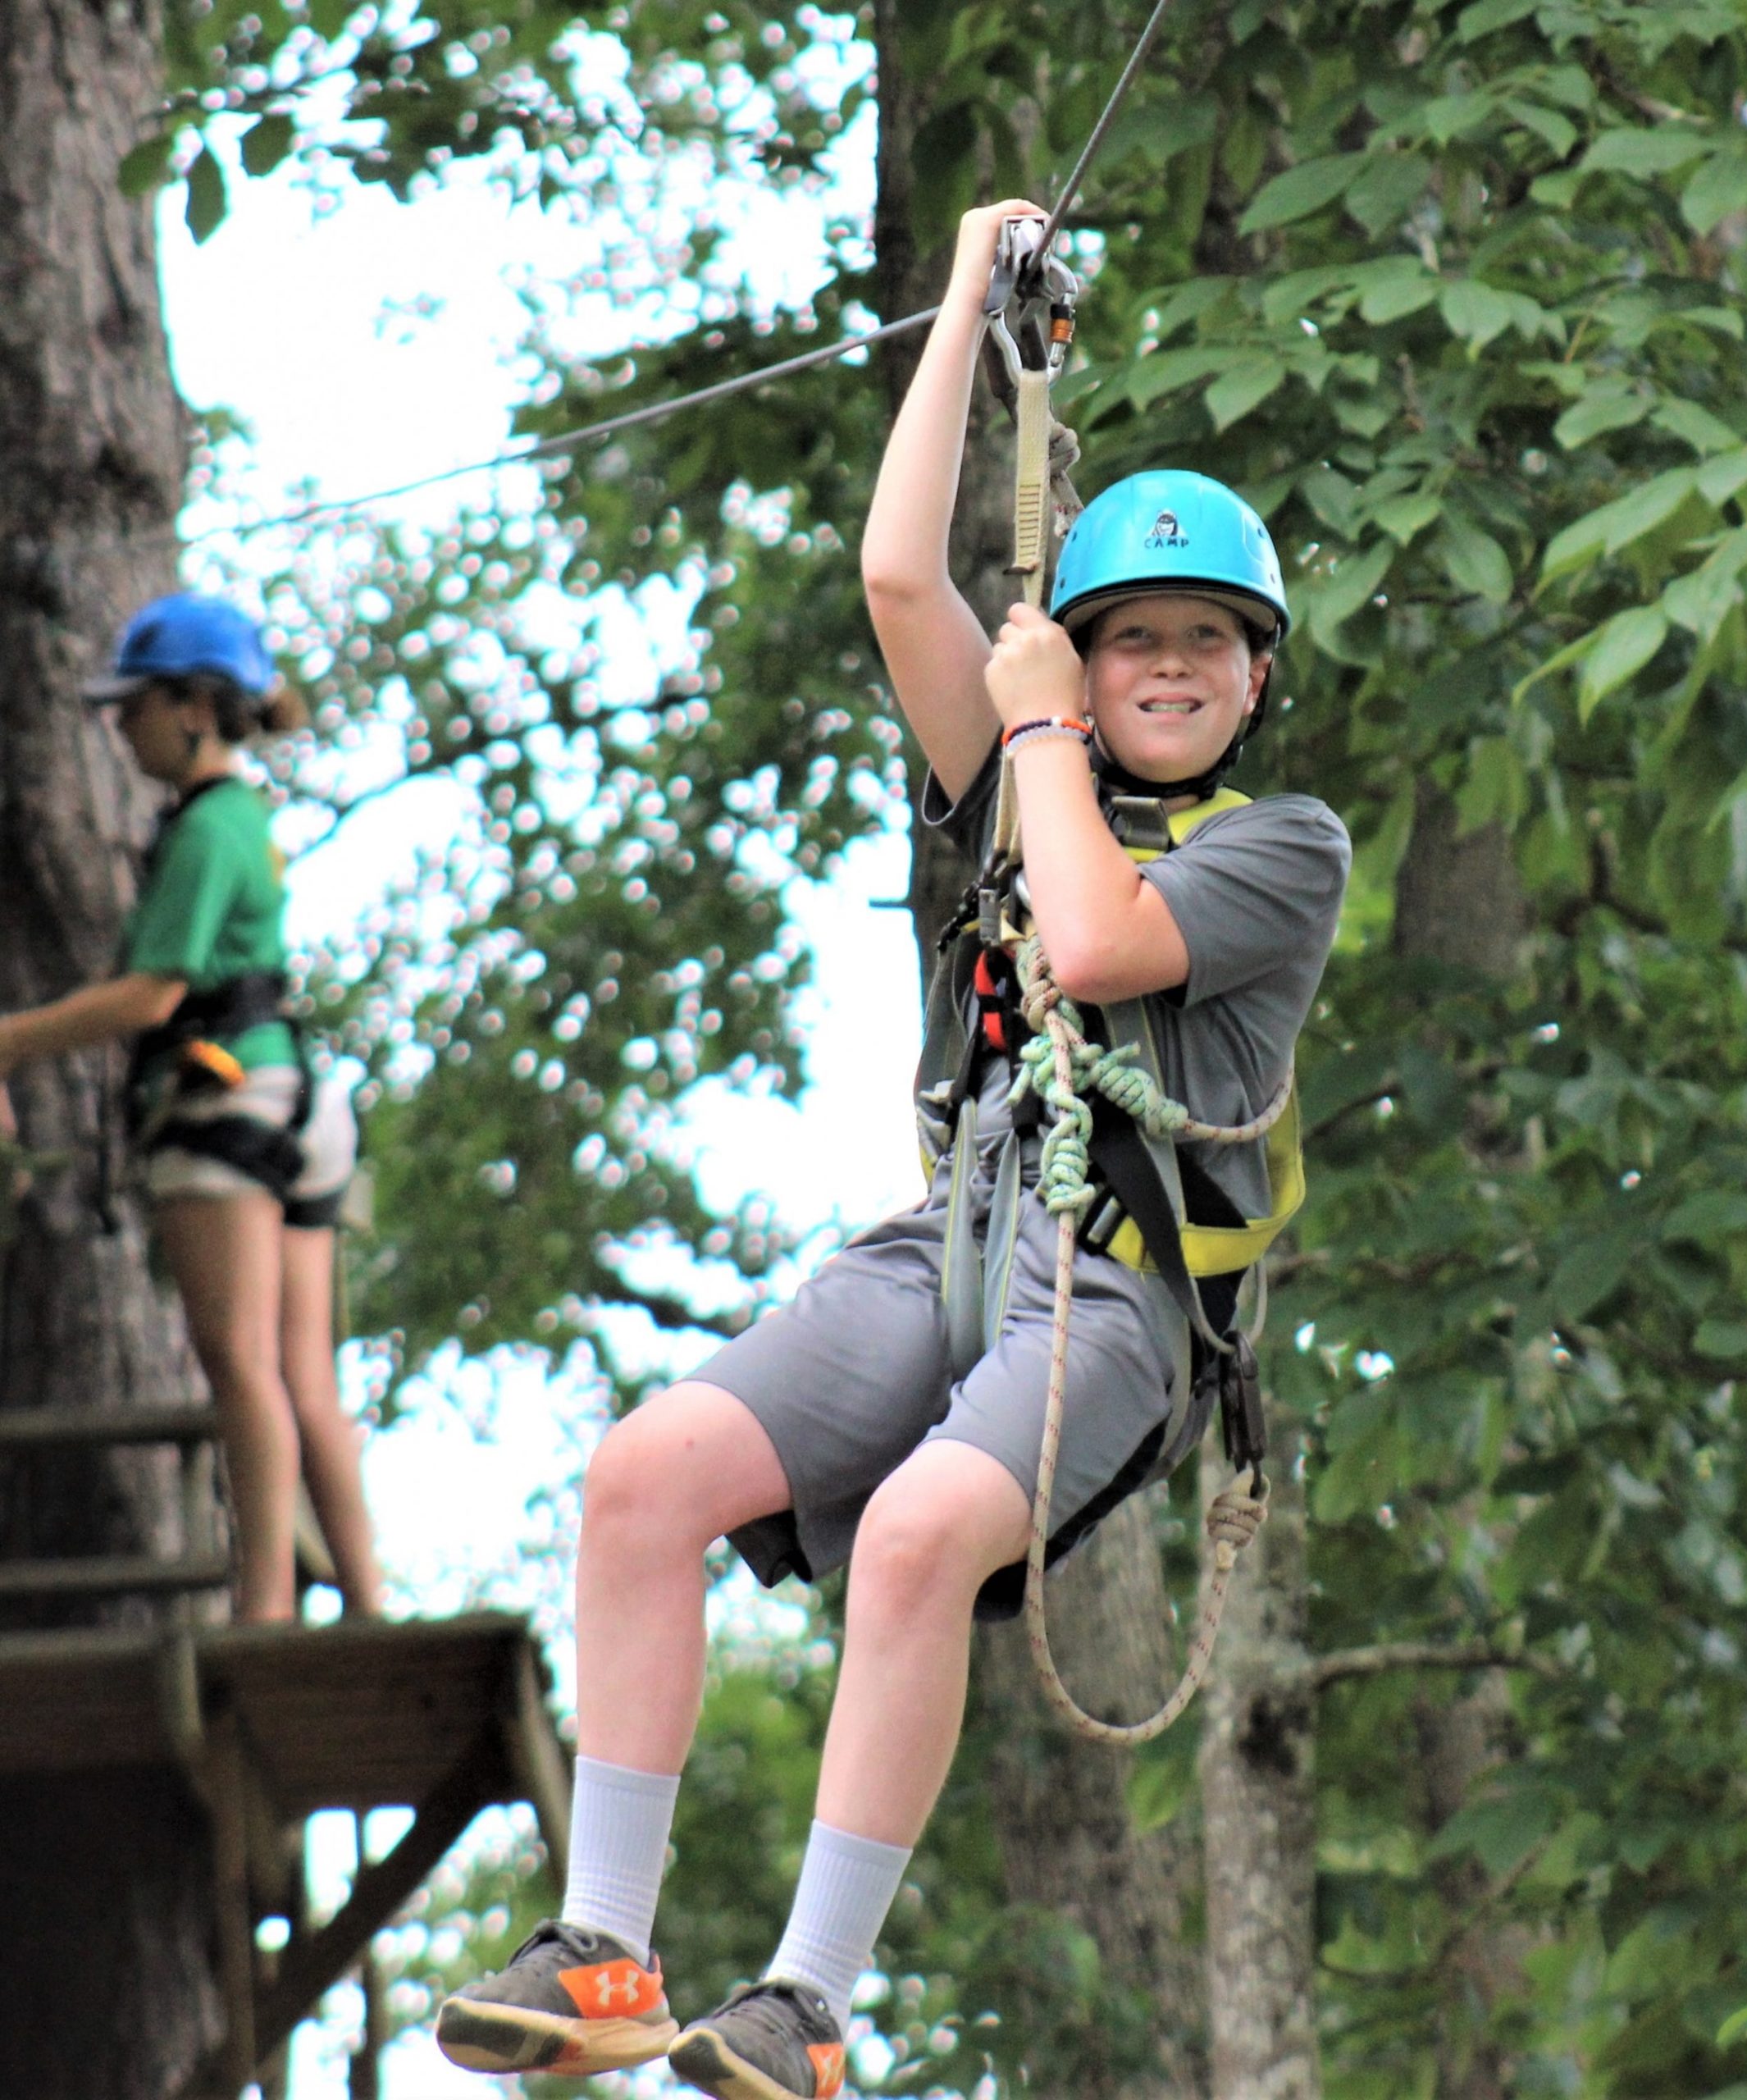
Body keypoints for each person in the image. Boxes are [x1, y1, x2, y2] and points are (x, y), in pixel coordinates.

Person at [436, 198, 1350, 2099]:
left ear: (1253, 676)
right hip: (956, 1238)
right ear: (1088, 667)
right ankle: (603, 1938)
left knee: (923, 1530)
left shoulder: (1279, 849)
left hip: (1115, 1293)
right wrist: (961, 301)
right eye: (1129, 642)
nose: (1165, 666)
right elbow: (893, 579)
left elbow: (1096, 942)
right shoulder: (1031, 770)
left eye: (1204, 642)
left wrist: (1034, 732)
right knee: (644, 1470)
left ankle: (807, 1995)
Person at [0, 592, 384, 1625]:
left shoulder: (209, 827)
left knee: (244, 1372)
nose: (121, 728)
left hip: (227, 1111)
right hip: (299, 1104)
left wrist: (6, 1039)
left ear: (194, 708)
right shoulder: (243, 820)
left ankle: (262, 1613)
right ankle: (369, 1607)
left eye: (136, 706)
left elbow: (151, 995)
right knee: (306, 1383)